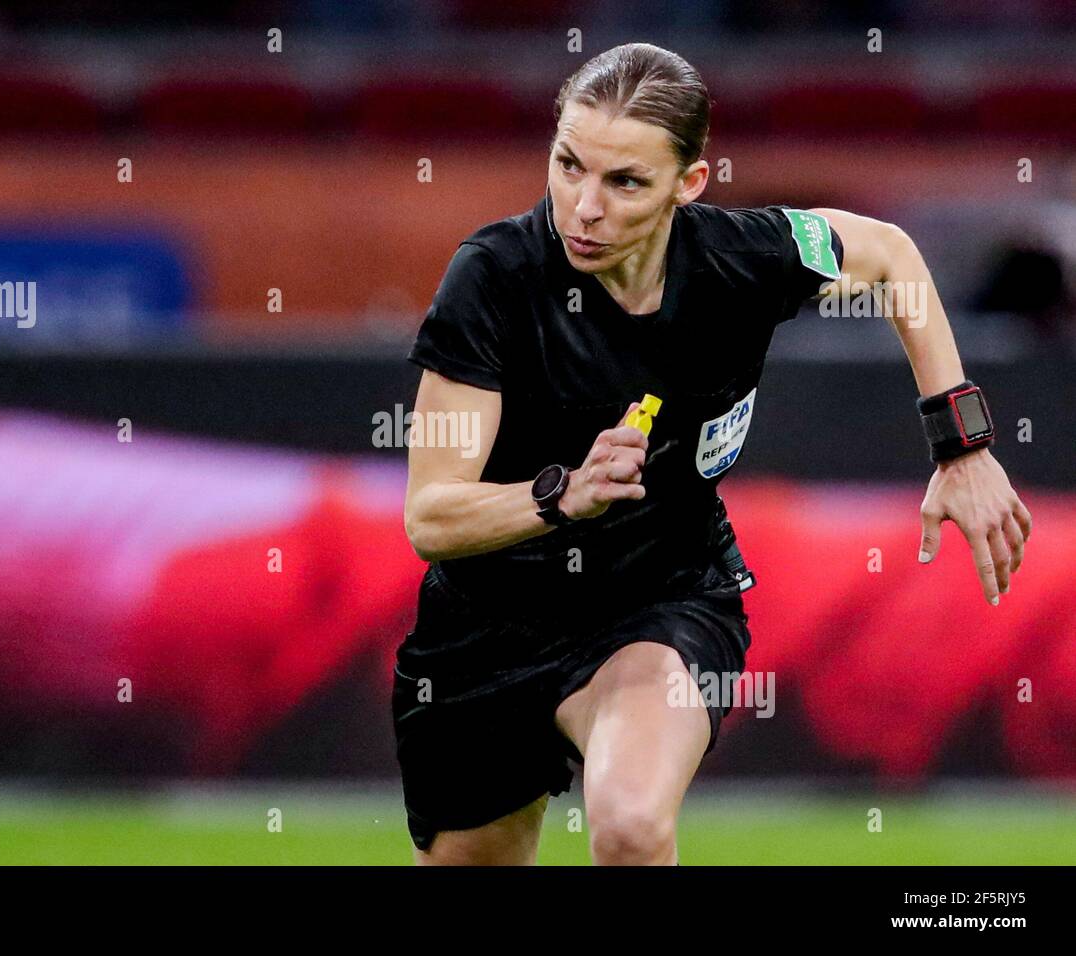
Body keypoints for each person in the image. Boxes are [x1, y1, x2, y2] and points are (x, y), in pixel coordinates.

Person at [395, 42, 1032, 865]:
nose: (583, 207)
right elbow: (431, 516)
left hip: (663, 599)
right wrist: (561, 495)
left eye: (625, 182)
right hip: (483, 632)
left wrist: (963, 447)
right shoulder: (493, 280)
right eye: (568, 165)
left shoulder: (745, 258)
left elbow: (891, 257)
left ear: (687, 184)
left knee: (627, 827)